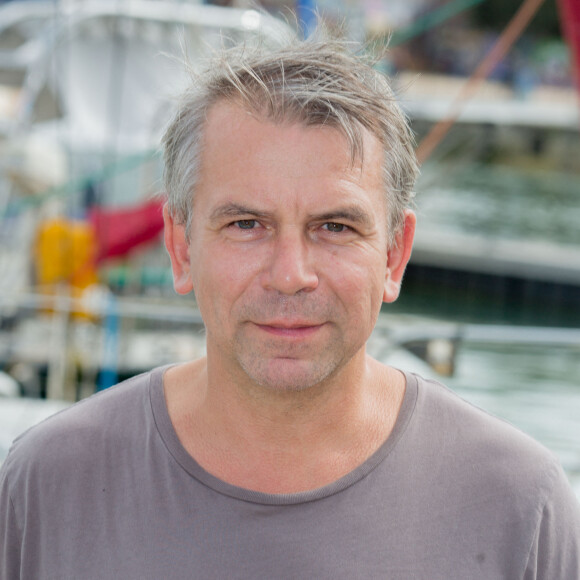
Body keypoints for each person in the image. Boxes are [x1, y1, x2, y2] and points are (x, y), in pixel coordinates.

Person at [1, 34, 579, 579]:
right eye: (246, 224)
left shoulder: (520, 509)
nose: (291, 275)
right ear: (181, 248)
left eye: (334, 226)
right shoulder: (45, 488)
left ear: (394, 256)